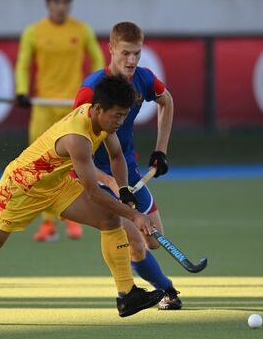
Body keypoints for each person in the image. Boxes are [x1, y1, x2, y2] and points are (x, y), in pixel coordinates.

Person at [0, 75, 166, 325]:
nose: (121, 121)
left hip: (56, 184)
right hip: (20, 189)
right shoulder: (77, 137)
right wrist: (134, 215)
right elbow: (94, 192)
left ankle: (126, 294)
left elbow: (117, 157)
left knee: (110, 219)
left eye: (125, 115)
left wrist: (123, 190)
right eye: (117, 115)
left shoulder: (106, 123)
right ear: (97, 109)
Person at [73, 22, 181, 310]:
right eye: (125, 54)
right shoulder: (90, 91)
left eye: (137, 53)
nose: (132, 61)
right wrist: (109, 183)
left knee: (153, 239)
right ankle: (168, 291)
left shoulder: (143, 79)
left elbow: (166, 102)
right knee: (134, 238)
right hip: (94, 177)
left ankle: (159, 284)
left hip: (129, 173)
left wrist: (161, 150)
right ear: (110, 49)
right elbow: (74, 151)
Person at [15, 0, 105, 242]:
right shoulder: (34, 32)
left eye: (65, 2)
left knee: (75, 163)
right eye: (56, 2)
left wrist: (94, 89)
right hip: (43, 108)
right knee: (40, 166)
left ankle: (71, 218)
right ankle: (47, 223)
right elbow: (22, 65)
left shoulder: (82, 30)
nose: (61, 7)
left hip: (74, 109)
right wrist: (22, 91)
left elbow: (97, 61)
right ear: (48, 4)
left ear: (70, 5)